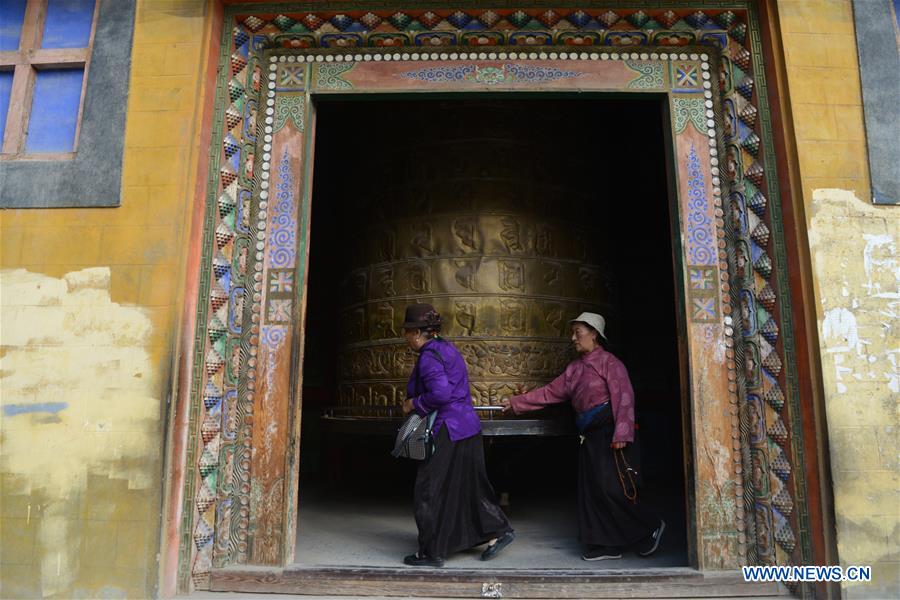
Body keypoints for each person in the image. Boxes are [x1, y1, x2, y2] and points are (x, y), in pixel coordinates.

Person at [500, 312, 665, 561]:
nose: (573, 338)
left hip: (611, 434)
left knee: (614, 489)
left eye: (578, 333)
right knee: (595, 491)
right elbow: (548, 393)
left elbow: (624, 397)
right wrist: (515, 402)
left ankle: (650, 526)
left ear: (594, 334)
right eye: (573, 333)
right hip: (590, 435)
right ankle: (609, 544)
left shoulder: (610, 363)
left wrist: (622, 432)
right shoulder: (574, 369)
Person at [400, 303, 515, 567]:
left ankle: (431, 551)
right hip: (468, 427)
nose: (406, 337)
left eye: (407, 332)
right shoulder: (447, 348)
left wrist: (412, 404)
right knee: (467, 487)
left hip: (447, 430)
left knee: (429, 490)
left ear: (417, 332)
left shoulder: (429, 357)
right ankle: (498, 532)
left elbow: (440, 394)